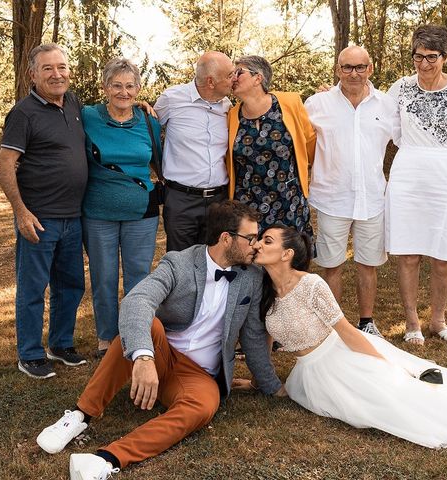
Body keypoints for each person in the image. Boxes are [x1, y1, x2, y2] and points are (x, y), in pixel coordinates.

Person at [36, 201, 284, 480]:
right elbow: (137, 300)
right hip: (161, 353)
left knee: (204, 407)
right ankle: (80, 416)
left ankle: (106, 459)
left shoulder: (251, 277)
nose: (256, 245)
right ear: (226, 238)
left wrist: (272, 386)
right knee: (147, 325)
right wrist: (143, 357)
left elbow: (251, 338)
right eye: (250, 238)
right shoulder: (179, 263)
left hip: (199, 376)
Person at [237, 225, 447, 449]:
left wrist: (383, 363)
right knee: (360, 413)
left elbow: (347, 330)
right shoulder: (264, 293)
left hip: (342, 355)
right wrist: (260, 381)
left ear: (287, 254)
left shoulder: (312, 285)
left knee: (392, 394)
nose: (258, 244)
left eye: (267, 240)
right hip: (309, 375)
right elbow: (265, 343)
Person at [0, 43, 87, 379]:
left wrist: (136, 102)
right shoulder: (23, 113)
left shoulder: (74, 103)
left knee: (71, 285)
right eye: (47, 68)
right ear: (32, 74)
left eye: (61, 67)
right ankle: (30, 354)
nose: (56, 74)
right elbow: (5, 165)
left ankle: (61, 345)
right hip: (40, 217)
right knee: (34, 288)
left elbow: (111, 110)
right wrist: (21, 211)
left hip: (73, 217)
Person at [385, 25, 447, 345]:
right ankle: (412, 323)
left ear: (445, 57)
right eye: (418, 56)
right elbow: (381, 122)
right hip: (407, 173)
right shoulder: (399, 87)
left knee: (444, 255)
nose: (424, 64)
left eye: (431, 57)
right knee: (408, 254)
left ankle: (438, 320)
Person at [304, 46, 400, 337]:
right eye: (347, 67)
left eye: (360, 67)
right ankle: (334, 326)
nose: (354, 73)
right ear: (337, 69)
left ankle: (366, 322)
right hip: (332, 197)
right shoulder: (317, 104)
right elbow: (296, 139)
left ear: (370, 69)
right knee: (331, 265)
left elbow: (409, 139)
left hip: (373, 198)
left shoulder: (386, 105)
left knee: (367, 264)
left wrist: (446, 151)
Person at [81, 57, 163, 356]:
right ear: (105, 87)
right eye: (117, 85)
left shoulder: (149, 121)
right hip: (97, 212)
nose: (124, 92)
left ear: (138, 89)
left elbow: (158, 160)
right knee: (103, 277)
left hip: (141, 212)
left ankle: (133, 335)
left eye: (130, 86)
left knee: (139, 277)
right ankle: (106, 337)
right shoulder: (87, 115)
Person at [226, 55, 316, 240]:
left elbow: (310, 143)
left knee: (288, 259)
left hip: (288, 200)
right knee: (250, 260)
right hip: (247, 205)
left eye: (239, 72)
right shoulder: (231, 114)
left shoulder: (290, 103)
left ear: (258, 78)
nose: (233, 77)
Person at [153, 51, 235, 252]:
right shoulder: (171, 99)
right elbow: (148, 132)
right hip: (181, 200)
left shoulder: (228, 106)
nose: (235, 79)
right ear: (211, 81)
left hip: (219, 200)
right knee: (180, 263)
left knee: (216, 260)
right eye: (230, 75)